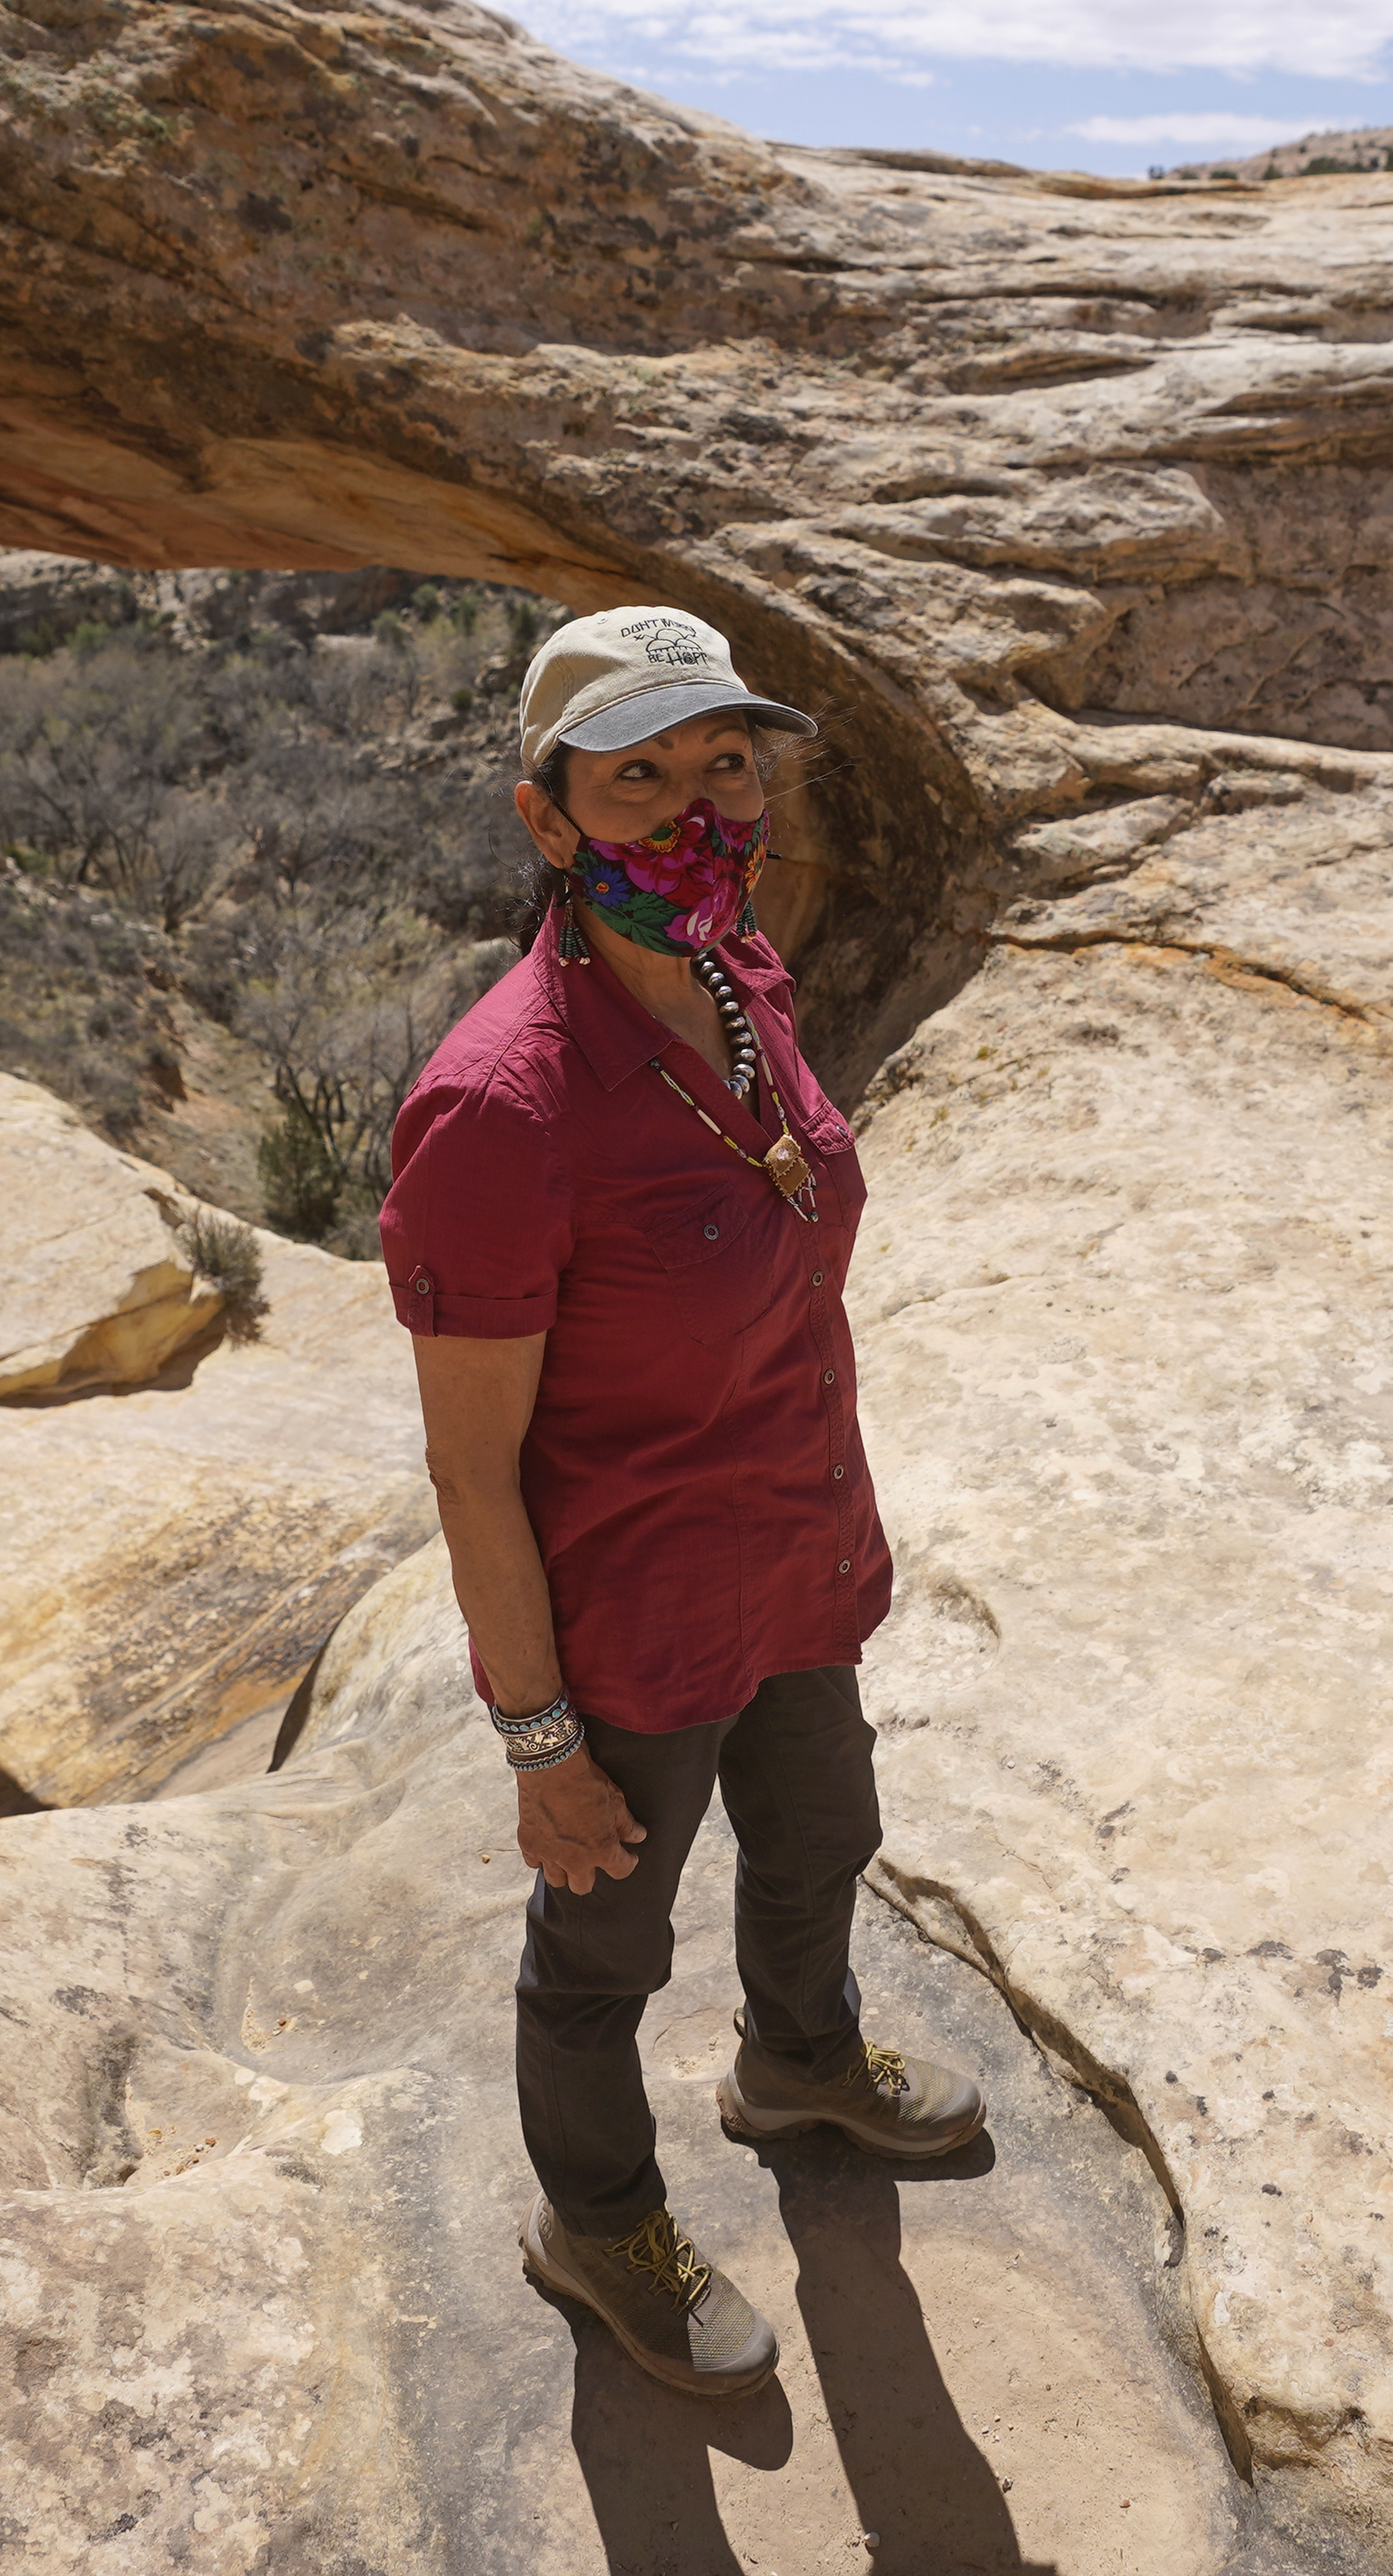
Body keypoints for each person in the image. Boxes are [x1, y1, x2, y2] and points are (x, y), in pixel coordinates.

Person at [379, 606, 982, 2399]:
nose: (696, 808)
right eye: (638, 775)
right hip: (632, 1621)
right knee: (602, 1949)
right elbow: (470, 1466)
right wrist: (537, 1735)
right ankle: (598, 2218)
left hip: (793, 1550)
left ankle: (800, 2057)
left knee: (820, 1835)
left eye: (725, 763)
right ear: (546, 816)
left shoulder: (746, 984)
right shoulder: (499, 1106)